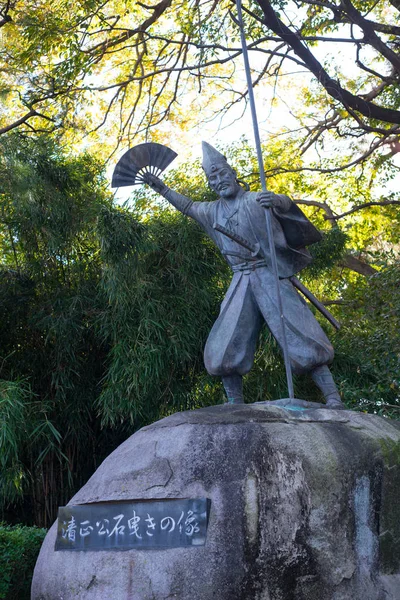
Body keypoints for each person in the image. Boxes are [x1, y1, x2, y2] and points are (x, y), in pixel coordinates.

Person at [144, 141, 344, 409]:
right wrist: (163, 189)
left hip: (268, 274)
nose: (217, 181)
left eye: (221, 174)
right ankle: (234, 400)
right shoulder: (212, 210)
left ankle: (332, 396)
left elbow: (287, 208)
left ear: (233, 173)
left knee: (299, 330)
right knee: (228, 336)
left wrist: (278, 201)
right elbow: (189, 206)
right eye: (211, 178)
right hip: (241, 279)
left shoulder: (255, 200)